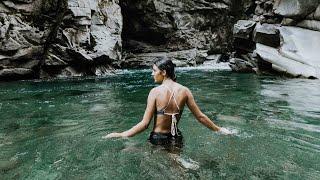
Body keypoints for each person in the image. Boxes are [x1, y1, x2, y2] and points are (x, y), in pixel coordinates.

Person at [103, 58, 231, 147]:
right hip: (176, 137)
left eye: (154, 70)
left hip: (158, 138)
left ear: (163, 72)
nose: (152, 74)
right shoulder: (185, 91)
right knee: (176, 166)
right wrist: (219, 129)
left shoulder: (155, 92)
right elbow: (201, 117)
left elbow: (145, 124)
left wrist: (121, 134)